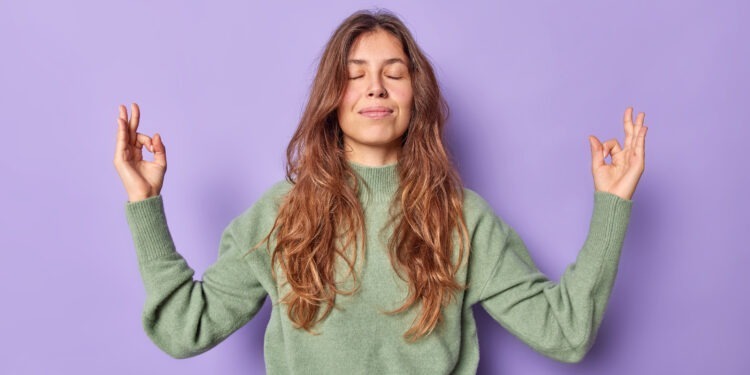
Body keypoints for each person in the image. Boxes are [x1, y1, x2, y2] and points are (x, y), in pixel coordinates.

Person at [113, 9, 647, 374]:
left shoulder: (463, 218)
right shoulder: (280, 215)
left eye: (394, 73)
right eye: (355, 74)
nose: (375, 87)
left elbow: (567, 333)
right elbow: (184, 329)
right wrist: (144, 205)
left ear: (417, 94)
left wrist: (612, 207)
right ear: (332, 96)